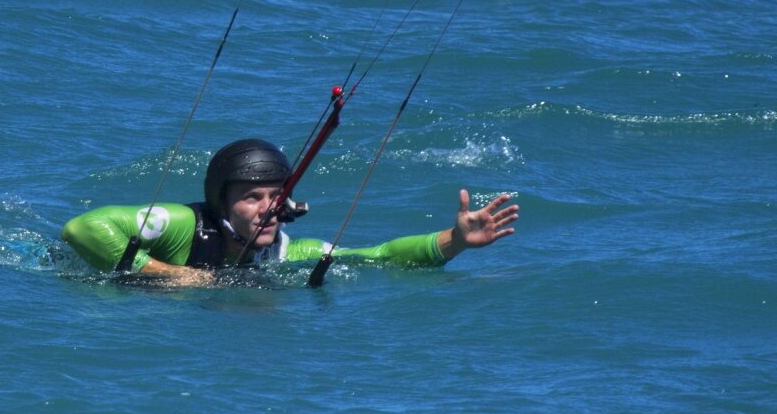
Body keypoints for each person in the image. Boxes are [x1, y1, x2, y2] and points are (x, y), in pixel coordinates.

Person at [62, 138, 519, 286]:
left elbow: (379, 255)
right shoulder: (183, 225)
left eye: (275, 197)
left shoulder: (290, 252)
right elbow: (82, 228)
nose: (268, 209)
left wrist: (455, 241)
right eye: (251, 197)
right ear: (221, 202)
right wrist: (171, 273)